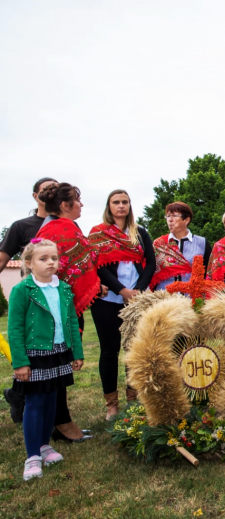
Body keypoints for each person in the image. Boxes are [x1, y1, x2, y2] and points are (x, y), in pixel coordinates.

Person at [8, 239, 84, 480]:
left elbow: (72, 321)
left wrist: (77, 353)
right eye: (44, 259)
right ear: (28, 263)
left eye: (54, 258)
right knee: (35, 403)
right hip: (35, 355)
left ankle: (44, 446)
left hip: (59, 352)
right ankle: (32, 456)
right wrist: (20, 361)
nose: (51, 262)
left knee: (52, 400)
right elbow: (15, 328)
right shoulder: (23, 290)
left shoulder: (63, 288)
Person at [36, 182, 98, 443]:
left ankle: (59, 421)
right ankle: (61, 423)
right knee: (59, 364)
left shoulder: (51, 228)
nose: (81, 204)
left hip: (57, 304)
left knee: (58, 364)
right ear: (65, 205)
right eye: (77, 200)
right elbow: (73, 269)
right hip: (61, 309)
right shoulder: (63, 229)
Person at [89, 190, 156, 419]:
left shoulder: (140, 232)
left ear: (129, 205)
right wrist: (122, 290)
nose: (121, 206)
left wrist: (138, 290)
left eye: (125, 202)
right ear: (109, 206)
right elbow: (98, 266)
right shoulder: (98, 233)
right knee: (109, 351)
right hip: (108, 300)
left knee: (133, 351)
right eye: (116, 202)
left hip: (136, 300)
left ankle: (133, 401)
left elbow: (151, 262)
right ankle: (112, 406)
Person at [1, 177, 58, 424]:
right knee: (32, 350)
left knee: (57, 352)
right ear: (36, 196)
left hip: (59, 296)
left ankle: (52, 413)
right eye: (46, 189)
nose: (51, 193)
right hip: (32, 299)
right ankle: (19, 394)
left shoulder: (64, 224)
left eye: (56, 189)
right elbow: (3, 258)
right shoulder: (21, 225)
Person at [150, 202, 212, 291]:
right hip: (164, 298)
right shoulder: (159, 244)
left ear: (186, 220)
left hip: (193, 298)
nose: (170, 220)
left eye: (174, 216)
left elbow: (209, 273)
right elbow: (151, 272)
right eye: (168, 216)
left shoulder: (202, 242)